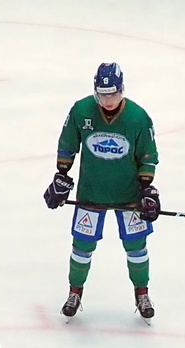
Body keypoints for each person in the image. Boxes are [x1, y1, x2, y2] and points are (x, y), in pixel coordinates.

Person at [44, 61, 158, 320]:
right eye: (102, 94)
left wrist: (147, 189)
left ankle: (142, 293)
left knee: (136, 247)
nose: (107, 100)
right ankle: (75, 292)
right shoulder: (81, 110)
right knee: (81, 247)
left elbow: (148, 155)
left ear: (122, 90)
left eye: (113, 94)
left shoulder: (138, 117)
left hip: (129, 196)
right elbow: (67, 142)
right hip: (91, 193)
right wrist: (61, 175)